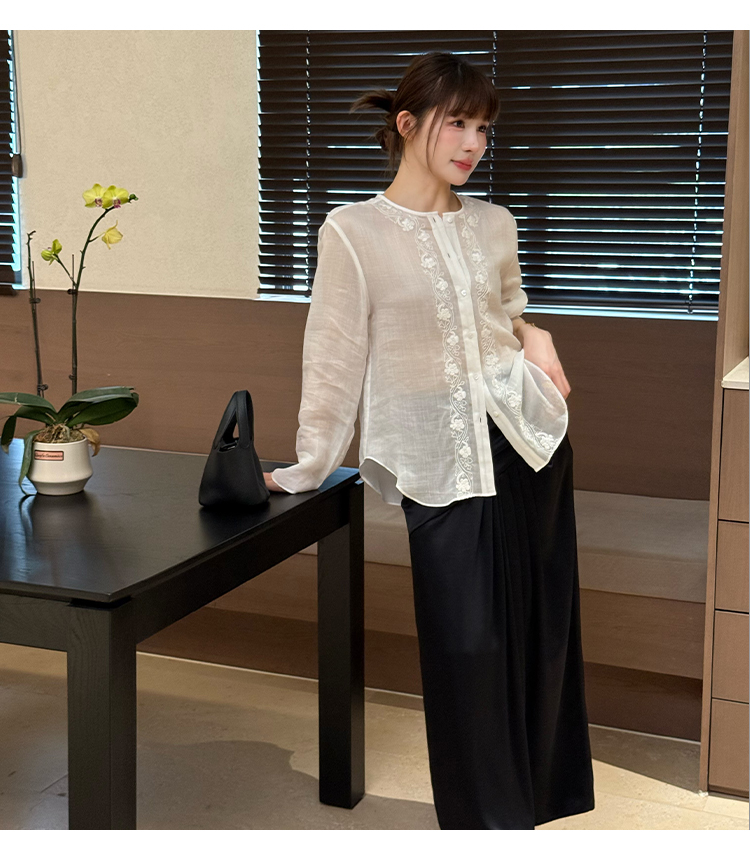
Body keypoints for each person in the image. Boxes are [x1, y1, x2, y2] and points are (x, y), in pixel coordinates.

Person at [263, 50, 595, 830]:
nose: (474, 143)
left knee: (539, 635)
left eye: (484, 128)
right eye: (458, 123)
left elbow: (504, 314)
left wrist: (535, 334)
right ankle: (484, 828)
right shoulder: (352, 232)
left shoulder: (494, 223)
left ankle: (532, 811)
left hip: (528, 446)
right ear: (408, 124)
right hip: (438, 459)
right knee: (468, 649)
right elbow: (334, 355)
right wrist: (309, 465)